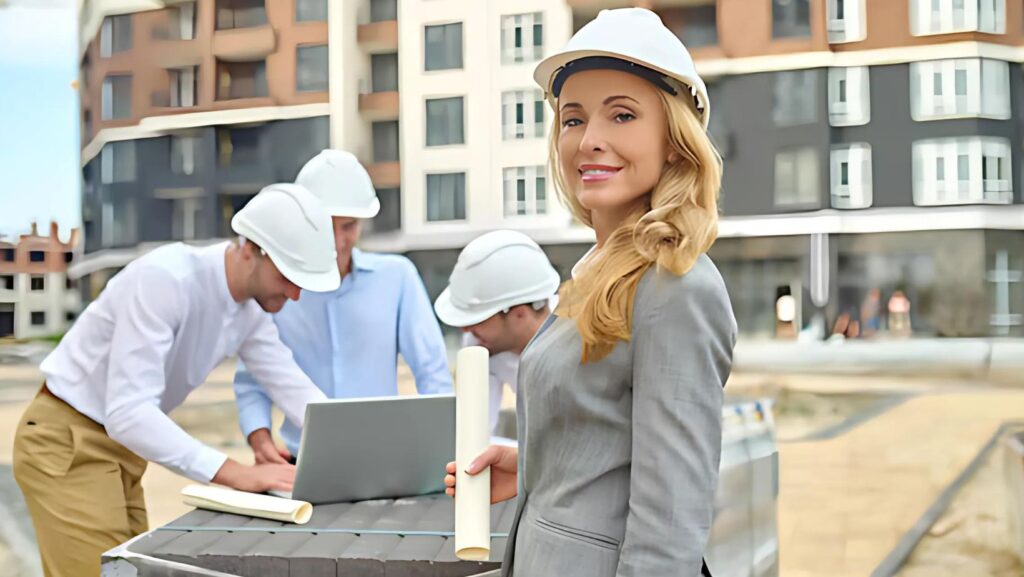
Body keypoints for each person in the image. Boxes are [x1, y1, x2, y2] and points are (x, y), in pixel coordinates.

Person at [445, 8, 736, 576]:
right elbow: (611, 437)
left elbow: (669, 527)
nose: (590, 141)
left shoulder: (676, 285)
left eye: (622, 115)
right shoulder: (599, 271)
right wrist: (535, 467)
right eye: (573, 120)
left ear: (675, 141)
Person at [13, 183, 340, 577]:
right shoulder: (166, 279)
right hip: (66, 438)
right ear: (251, 249)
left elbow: (293, 386)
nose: (296, 294)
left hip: (123, 449)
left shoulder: (249, 314)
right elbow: (129, 412)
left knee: (130, 572)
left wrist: (355, 453)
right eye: (289, 276)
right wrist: (238, 474)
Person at [235, 150, 452, 464]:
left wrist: (439, 447)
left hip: (384, 459)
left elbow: (432, 372)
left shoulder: (398, 277)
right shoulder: (274, 291)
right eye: (326, 226)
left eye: (348, 226)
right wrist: (260, 438)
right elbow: (252, 379)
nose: (337, 241)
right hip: (299, 459)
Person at [433, 230, 561, 435]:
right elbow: (475, 432)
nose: (465, 329)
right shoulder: (479, 342)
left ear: (520, 315)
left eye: (476, 320)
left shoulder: (579, 339)